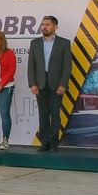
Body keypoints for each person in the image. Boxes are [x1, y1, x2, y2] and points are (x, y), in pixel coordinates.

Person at [28, 15, 72, 152]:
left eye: (47, 25)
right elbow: (31, 66)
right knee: (43, 114)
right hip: (40, 84)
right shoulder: (35, 43)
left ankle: (54, 143)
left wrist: (63, 84)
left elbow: (67, 66)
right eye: (43, 24)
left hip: (56, 84)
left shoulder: (64, 43)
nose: (44, 27)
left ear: (55, 27)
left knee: (55, 114)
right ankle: (44, 142)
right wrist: (32, 84)